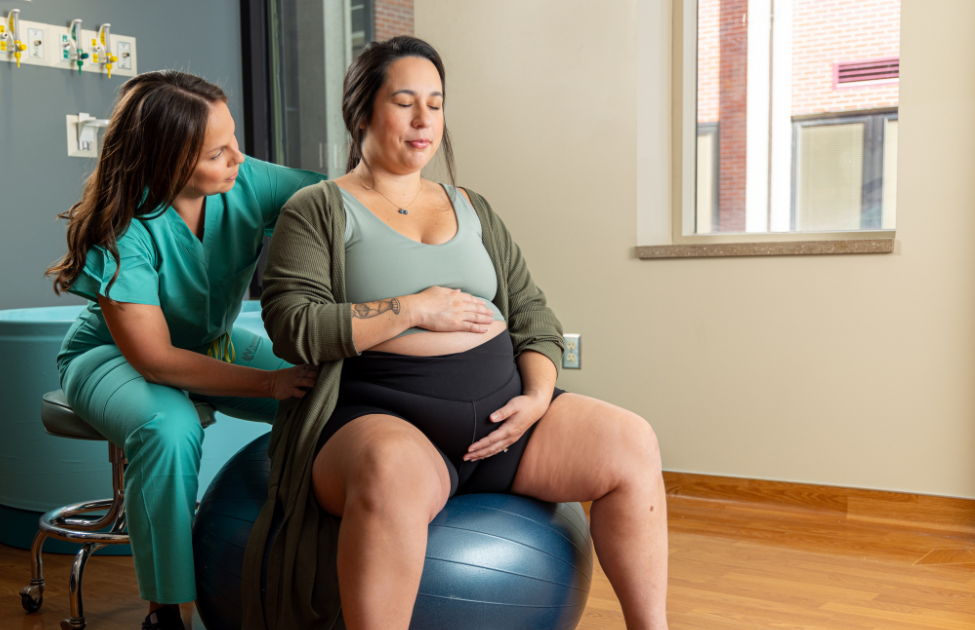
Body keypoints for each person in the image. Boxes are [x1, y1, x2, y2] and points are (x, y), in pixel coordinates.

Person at [249, 37, 669, 630]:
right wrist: (412, 309)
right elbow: (292, 325)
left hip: (506, 419)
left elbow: (533, 315)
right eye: (404, 102)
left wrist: (537, 399)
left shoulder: (471, 205)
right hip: (384, 416)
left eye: (436, 103)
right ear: (361, 111)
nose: (425, 121)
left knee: (632, 441)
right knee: (391, 471)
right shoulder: (316, 209)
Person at [46, 70, 325, 630]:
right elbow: (154, 359)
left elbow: (343, 201)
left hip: (211, 344)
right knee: (169, 429)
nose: (239, 160)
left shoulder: (243, 181)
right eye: (218, 152)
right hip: (111, 359)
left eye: (235, 142)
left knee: (329, 394)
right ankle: (167, 612)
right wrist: (270, 383)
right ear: (166, 159)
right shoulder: (122, 228)